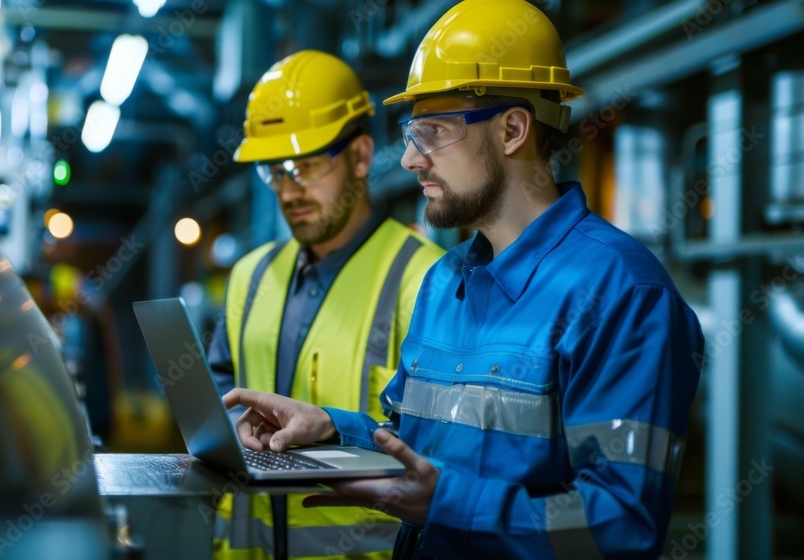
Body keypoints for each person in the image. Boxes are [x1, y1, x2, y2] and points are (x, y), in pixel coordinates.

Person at [223, 2, 705, 558]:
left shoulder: (621, 295)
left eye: (431, 131)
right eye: (411, 133)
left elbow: (623, 526)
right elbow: (412, 443)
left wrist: (448, 503)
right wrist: (333, 429)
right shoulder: (443, 282)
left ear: (513, 129)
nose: (408, 159)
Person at [208, 49, 445, 560]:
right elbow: (218, 391)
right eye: (275, 171)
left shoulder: (425, 277)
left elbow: (438, 449)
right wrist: (233, 429)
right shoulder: (250, 276)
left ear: (360, 156)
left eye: (306, 166)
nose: (289, 190)